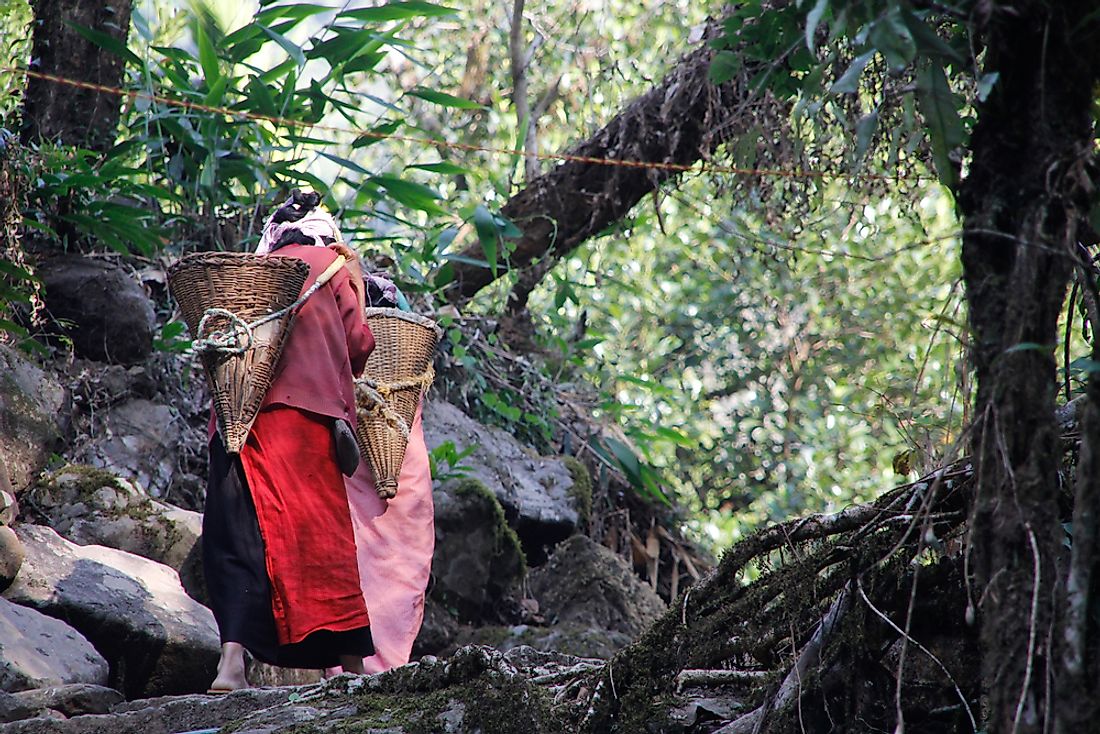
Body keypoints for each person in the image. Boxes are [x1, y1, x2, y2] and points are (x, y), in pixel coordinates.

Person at [203, 190, 374, 692]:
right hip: (303, 421)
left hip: (236, 420)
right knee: (321, 539)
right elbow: (359, 343)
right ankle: (355, 669)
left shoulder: (249, 273)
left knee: (239, 536)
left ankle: (230, 667)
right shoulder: (333, 265)